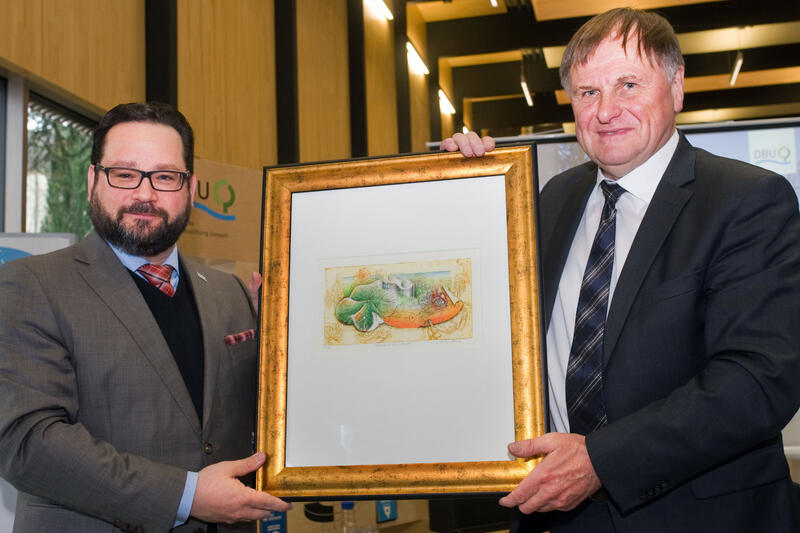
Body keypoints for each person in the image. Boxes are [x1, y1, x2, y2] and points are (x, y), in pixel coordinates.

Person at [444, 7, 800, 532]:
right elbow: (488, 326)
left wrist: (601, 461)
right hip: (555, 516)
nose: (606, 111)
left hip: (695, 517)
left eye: (628, 85)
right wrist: (460, 193)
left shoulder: (747, 199)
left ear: (676, 87)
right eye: (588, 92)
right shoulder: (551, 200)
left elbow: (760, 378)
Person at [0, 102, 290, 532]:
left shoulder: (230, 293)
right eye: (124, 174)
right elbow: (26, 442)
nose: (145, 194)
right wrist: (187, 497)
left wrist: (284, 345)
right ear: (92, 181)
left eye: (165, 177)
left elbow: (263, 420)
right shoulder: (31, 284)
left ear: (191, 188)